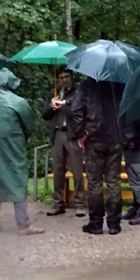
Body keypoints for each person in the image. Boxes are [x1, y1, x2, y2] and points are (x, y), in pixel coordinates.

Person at [0, 69, 44, 236]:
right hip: (14, 147)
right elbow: (29, 125)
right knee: (18, 180)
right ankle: (23, 225)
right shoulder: (19, 102)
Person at [71, 77, 126, 235]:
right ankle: (114, 224)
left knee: (95, 182)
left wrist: (81, 134)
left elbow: (76, 110)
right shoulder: (119, 84)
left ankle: (95, 223)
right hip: (115, 138)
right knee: (114, 181)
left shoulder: (87, 86)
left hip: (94, 139)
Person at [41, 68, 85, 216]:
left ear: (71, 77)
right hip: (58, 134)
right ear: (58, 79)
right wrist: (51, 106)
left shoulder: (77, 92)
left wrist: (65, 103)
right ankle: (58, 203)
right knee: (58, 171)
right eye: (61, 77)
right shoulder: (53, 93)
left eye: (67, 76)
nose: (64, 80)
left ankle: (79, 203)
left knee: (77, 171)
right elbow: (44, 115)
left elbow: (81, 107)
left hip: (73, 134)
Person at [121, 115, 140, 225]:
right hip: (130, 144)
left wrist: (137, 140)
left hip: (136, 145)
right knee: (133, 178)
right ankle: (136, 207)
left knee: (137, 179)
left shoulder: (138, 106)